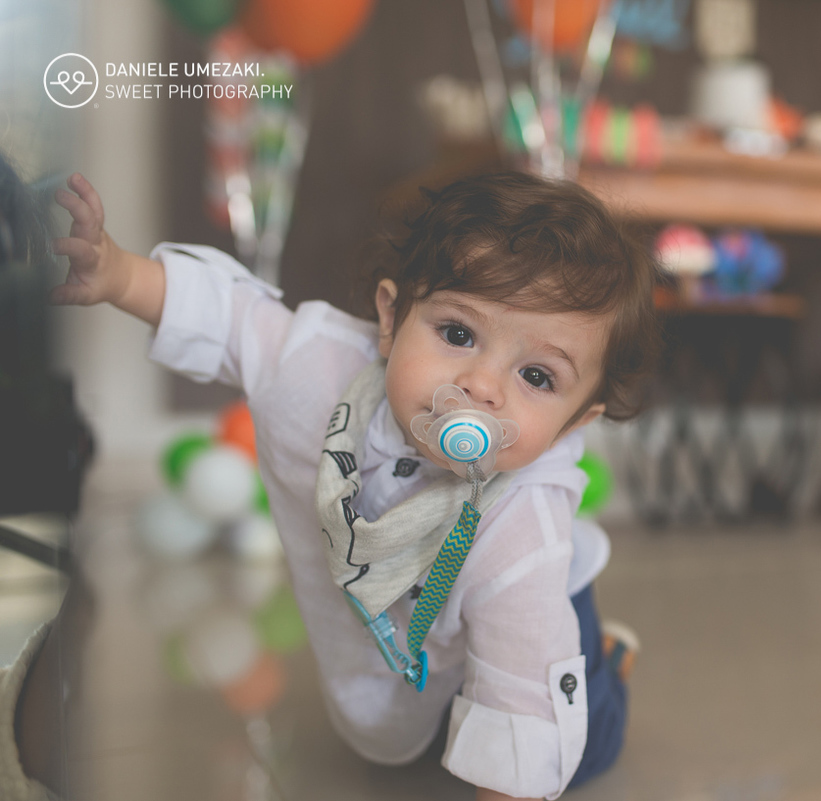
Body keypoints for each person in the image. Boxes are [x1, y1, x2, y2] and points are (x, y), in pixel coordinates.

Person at [45, 170, 661, 800]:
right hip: (425, 631)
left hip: (533, 621)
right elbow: (235, 322)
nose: (481, 385)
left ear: (572, 425)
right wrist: (119, 275)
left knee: (573, 744)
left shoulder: (522, 531)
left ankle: (606, 663)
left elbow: (523, 697)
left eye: (536, 375)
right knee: (423, 742)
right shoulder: (319, 372)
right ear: (390, 320)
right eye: (457, 334)